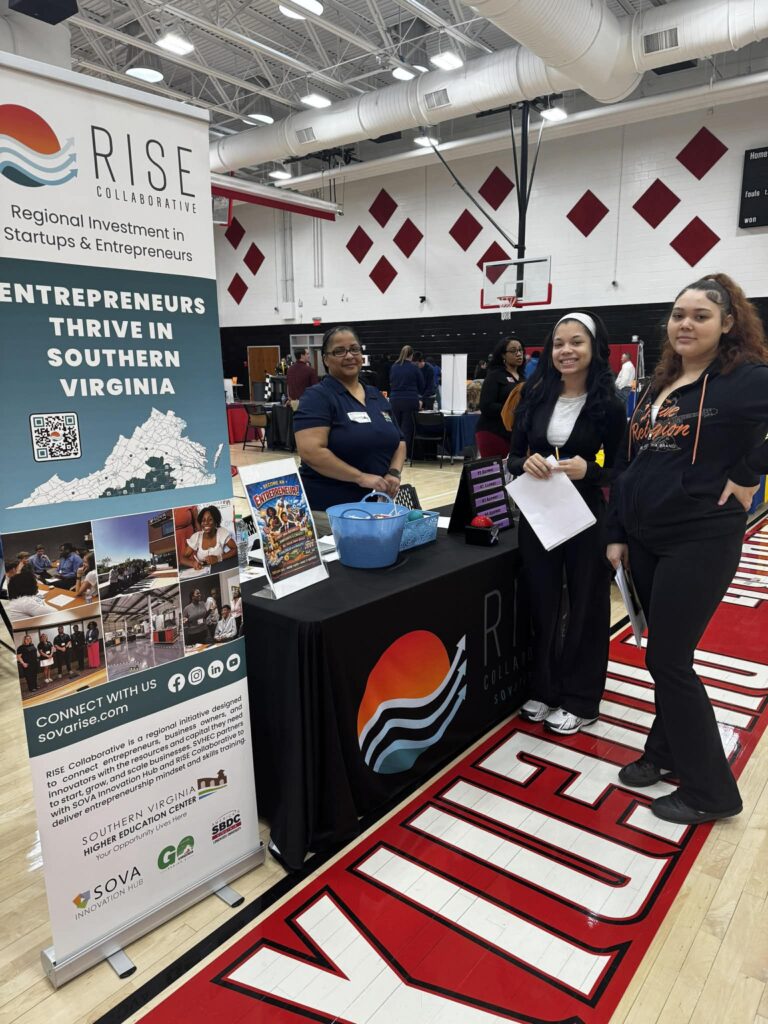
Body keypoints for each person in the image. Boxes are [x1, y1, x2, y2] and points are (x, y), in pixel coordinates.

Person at [607, 273, 768, 825]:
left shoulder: (745, 379)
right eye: (678, 314)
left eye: (700, 315)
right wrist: (617, 533)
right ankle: (666, 750)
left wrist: (749, 473)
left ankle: (711, 791)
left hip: (700, 538)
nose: (685, 324)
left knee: (667, 659)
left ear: (728, 324)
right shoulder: (657, 385)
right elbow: (629, 464)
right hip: (645, 539)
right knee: (668, 655)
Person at [508, 311, 626, 735]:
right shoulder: (535, 396)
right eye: (559, 343)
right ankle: (545, 687)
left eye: (577, 342)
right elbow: (512, 457)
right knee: (542, 601)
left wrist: (588, 472)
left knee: (585, 605)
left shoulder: (608, 405)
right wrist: (527, 461)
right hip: (539, 513)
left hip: (584, 515)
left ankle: (582, 697)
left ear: (594, 350)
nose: (566, 351)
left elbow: (620, 468)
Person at [295, 326, 406, 515]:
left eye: (354, 349)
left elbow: (399, 441)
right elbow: (310, 451)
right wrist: (359, 477)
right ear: (325, 359)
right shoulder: (318, 397)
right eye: (339, 351)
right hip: (329, 511)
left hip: (375, 508)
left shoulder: (375, 395)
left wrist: (394, 473)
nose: (349, 356)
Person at [476, 337, 526, 457]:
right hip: (493, 432)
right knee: (495, 474)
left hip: (513, 434)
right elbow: (486, 406)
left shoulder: (523, 378)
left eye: (520, 350)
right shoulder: (494, 376)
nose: (518, 354)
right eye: (513, 351)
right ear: (503, 355)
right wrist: (512, 409)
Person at [388, 345, 423, 457]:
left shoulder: (394, 367)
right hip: (410, 400)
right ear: (411, 355)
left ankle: (394, 454)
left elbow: (391, 382)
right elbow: (422, 385)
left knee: (396, 428)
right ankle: (404, 456)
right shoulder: (414, 367)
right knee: (407, 429)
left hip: (395, 400)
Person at [181, 506, 237, 572]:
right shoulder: (196, 537)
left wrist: (218, 558)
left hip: (221, 569)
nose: (206, 523)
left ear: (216, 522)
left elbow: (235, 549)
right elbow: (182, 559)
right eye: (203, 520)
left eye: (210, 520)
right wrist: (193, 563)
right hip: (202, 572)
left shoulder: (222, 532)